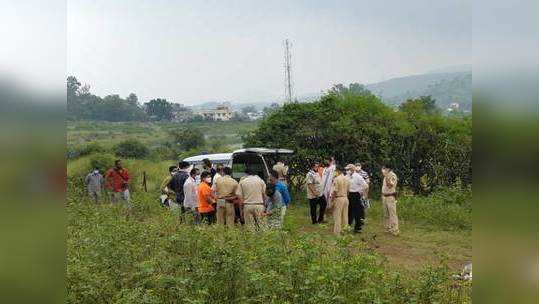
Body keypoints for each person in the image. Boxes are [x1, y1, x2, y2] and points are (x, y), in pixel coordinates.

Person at [236, 166, 267, 231]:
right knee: (262, 226)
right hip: (259, 205)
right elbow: (264, 194)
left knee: (250, 228)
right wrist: (264, 206)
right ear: (254, 173)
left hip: (247, 206)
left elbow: (239, 197)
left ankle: (252, 239)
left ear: (246, 174)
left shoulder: (242, 182)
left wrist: (241, 210)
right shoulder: (260, 181)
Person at [346, 164, 369, 233]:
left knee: (357, 212)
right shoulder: (347, 176)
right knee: (349, 211)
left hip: (356, 194)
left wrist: (360, 192)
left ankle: (357, 228)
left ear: (352, 169)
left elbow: (365, 186)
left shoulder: (358, 177)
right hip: (349, 194)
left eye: (348, 169)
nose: (347, 171)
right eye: (347, 170)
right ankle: (348, 226)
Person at [329, 165, 350, 235]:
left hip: (338, 198)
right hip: (345, 198)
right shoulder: (347, 179)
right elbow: (348, 190)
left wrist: (332, 200)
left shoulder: (337, 179)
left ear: (338, 171)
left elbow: (335, 191)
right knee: (345, 216)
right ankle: (345, 231)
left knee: (337, 216)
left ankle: (337, 232)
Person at [381, 164, 399, 236]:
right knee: (386, 214)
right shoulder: (386, 176)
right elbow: (384, 187)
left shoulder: (392, 175)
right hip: (385, 196)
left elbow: (390, 185)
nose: (383, 170)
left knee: (392, 214)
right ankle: (389, 228)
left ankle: (395, 230)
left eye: (384, 169)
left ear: (388, 169)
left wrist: (386, 177)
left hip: (390, 196)